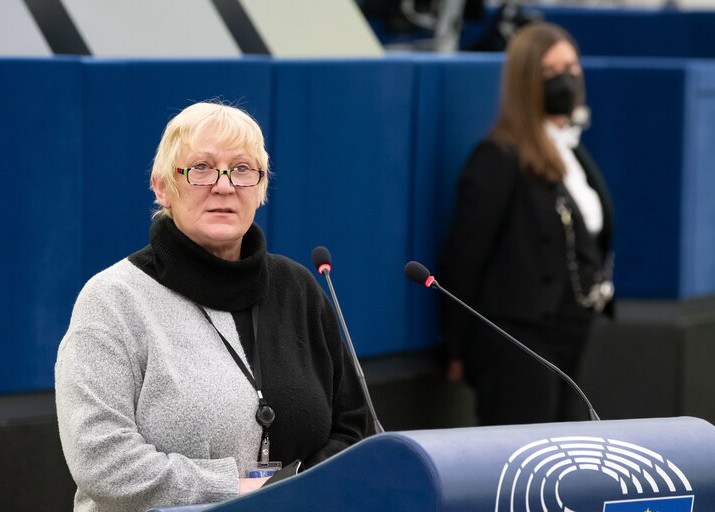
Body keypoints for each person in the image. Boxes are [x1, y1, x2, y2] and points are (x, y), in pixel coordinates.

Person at [55, 101, 369, 511]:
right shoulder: (114, 300)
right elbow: (104, 463)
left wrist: (299, 493)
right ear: (162, 187)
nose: (224, 185)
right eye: (201, 168)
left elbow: (353, 429)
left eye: (242, 170)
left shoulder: (299, 288)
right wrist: (244, 490)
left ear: (260, 190)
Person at [439, 22, 615, 426]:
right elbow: (465, 257)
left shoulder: (573, 153)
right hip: (517, 344)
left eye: (572, 67)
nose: (566, 79)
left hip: (572, 336)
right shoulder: (498, 157)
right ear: (526, 81)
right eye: (551, 71)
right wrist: (456, 347)